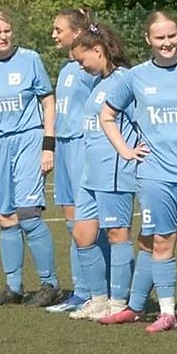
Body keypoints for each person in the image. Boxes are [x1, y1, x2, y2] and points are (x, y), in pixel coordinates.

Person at [99, 11, 177, 333]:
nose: (168, 42)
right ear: (148, 39)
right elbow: (106, 115)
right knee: (161, 242)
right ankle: (167, 313)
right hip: (154, 175)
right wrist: (126, 151)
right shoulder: (135, 76)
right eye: (160, 37)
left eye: (172, 36)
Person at [0, 9, 63, 307]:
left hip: (29, 139)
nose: (3, 36)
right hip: (0, 143)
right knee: (5, 215)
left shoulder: (30, 59)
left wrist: (48, 145)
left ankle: (50, 284)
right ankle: (13, 288)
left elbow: (48, 101)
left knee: (28, 213)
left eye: (7, 30)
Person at [63, 23, 137, 320]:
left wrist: (132, 152)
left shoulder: (125, 80)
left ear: (98, 50)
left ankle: (118, 302)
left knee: (117, 234)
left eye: (82, 60)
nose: (81, 66)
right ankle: (97, 300)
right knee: (82, 234)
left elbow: (142, 120)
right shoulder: (97, 82)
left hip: (114, 170)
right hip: (90, 172)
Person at [45, 8, 104, 313]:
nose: (54, 35)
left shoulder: (90, 69)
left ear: (77, 32)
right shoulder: (69, 68)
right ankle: (81, 291)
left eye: (59, 29)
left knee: (88, 223)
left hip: (83, 145)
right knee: (72, 224)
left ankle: (98, 291)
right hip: (65, 147)